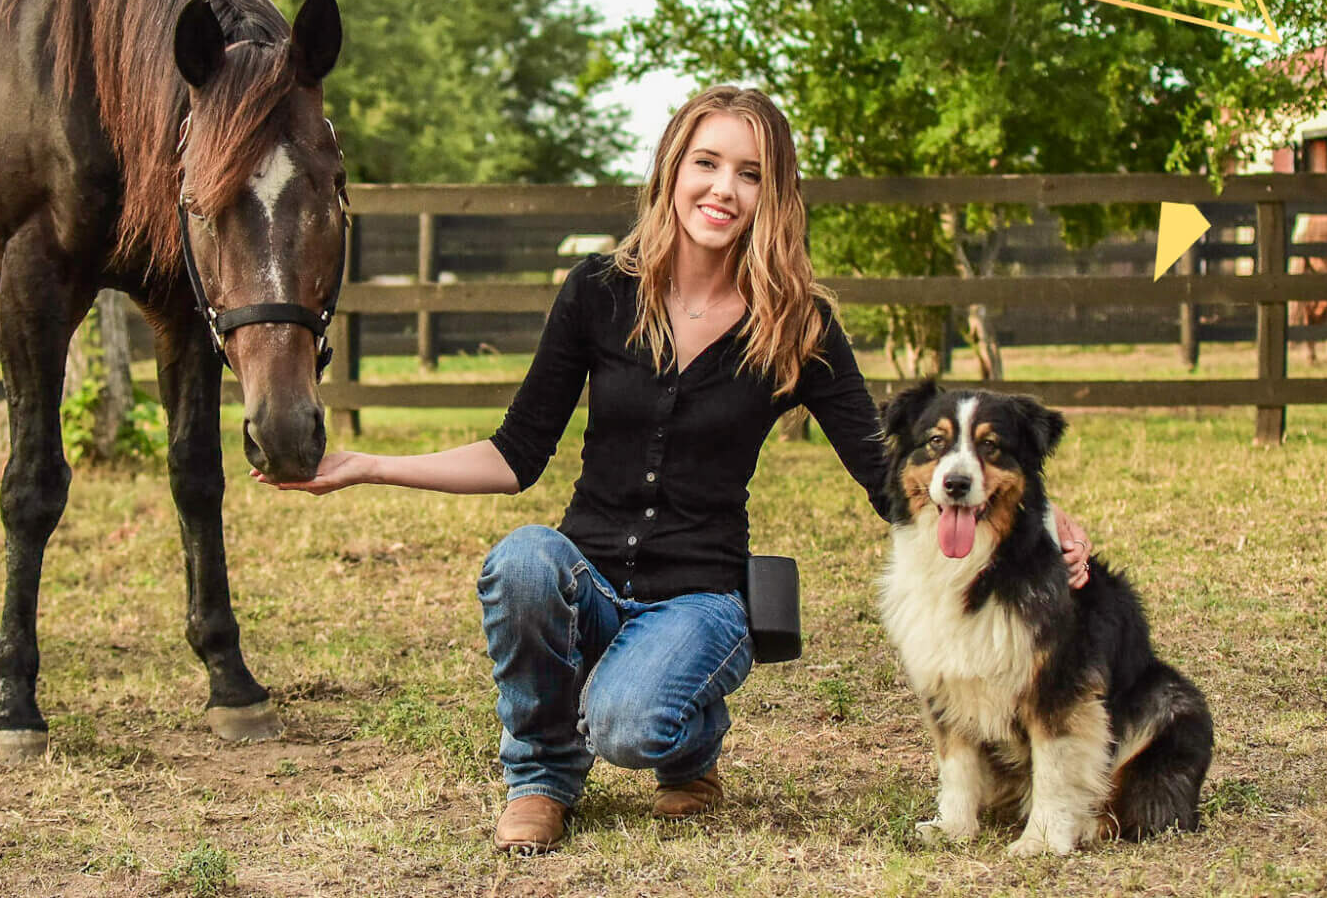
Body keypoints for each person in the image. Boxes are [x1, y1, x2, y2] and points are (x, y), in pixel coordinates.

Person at [255, 86, 1091, 854]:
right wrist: (365, 463)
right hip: (588, 580)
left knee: (627, 724)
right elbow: (515, 455)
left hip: (701, 599)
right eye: (707, 162)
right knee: (521, 560)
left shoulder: (797, 323)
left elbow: (888, 474)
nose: (724, 188)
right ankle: (540, 778)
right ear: (672, 169)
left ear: (774, 193)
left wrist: (1040, 524)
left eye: (750, 173)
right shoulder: (597, 291)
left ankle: (689, 746)